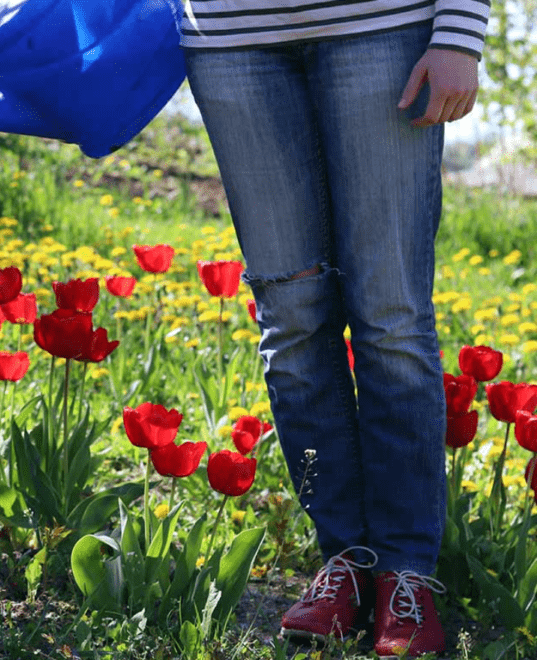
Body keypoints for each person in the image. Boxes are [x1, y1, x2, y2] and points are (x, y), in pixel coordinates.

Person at [178, 0, 489, 656]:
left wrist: (461, 30)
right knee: (291, 324)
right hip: (228, 41)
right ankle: (343, 557)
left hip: (382, 27)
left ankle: (405, 572)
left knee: (392, 317)